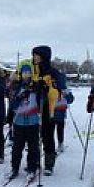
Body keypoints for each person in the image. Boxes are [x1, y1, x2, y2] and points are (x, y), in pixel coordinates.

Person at [32, 45, 64, 176]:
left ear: (43, 57)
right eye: (33, 55)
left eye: (36, 55)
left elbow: (61, 88)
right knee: (33, 136)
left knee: (47, 135)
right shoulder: (34, 71)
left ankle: (49, 163)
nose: (34, 57)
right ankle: (34, 161)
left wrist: (49, 87)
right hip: (34, 107)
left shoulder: (53, 72)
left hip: (49, 108)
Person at [9, 62, 40, 180]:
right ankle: (14, 168)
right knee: (17, 146)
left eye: (28, 72)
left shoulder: (36, 85)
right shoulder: (16, 86)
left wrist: (39, 90)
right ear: (21, 74)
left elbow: (42, 100)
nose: (26, 75)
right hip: (19, 121)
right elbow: (12, 105)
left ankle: (32, 168)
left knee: (33, 146)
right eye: (24, 72)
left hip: (33, 121)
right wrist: (20, 96)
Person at [53, 87, 74, 153]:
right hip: (50, 113)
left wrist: (67, 94)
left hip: (61, 113)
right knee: (50, 131)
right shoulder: (50, 87)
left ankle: (60, 144)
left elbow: (70, 100)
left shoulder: (63, 89)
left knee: (60, 130)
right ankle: (50, 146)